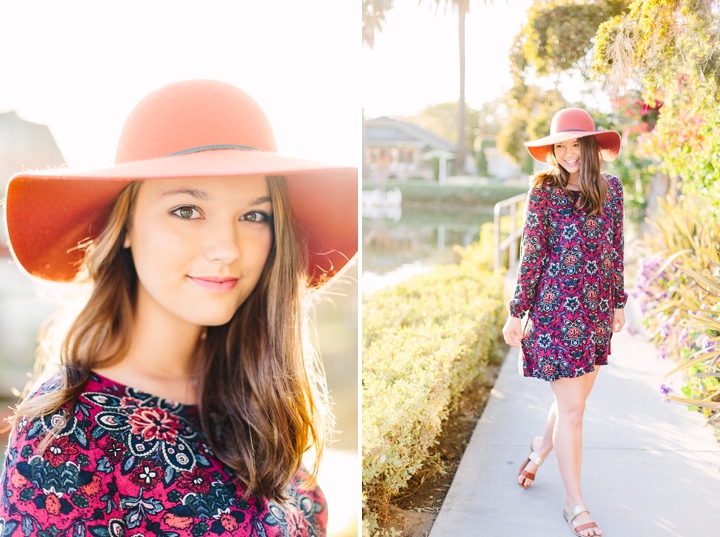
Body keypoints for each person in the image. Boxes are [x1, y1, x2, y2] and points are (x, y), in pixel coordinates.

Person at [0, 79, 357, 537]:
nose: (227, 249)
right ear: (125, 224)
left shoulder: (252, 395)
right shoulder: (65, 435)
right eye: (187, 210)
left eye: (254, 215)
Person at [502, 108, 626, 537]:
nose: (569, 153)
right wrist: (518, 311)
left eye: (577, 144)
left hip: (594, 312)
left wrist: (618, 302)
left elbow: (615, 248)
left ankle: (540, 449)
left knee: (574, 403)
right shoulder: (543, 192)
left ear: (591, 146)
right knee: (573, 409)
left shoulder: (612, 189)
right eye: (561, 145)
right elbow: (531, 255)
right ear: (552, 150)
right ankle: (574, 504)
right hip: (556, 313)